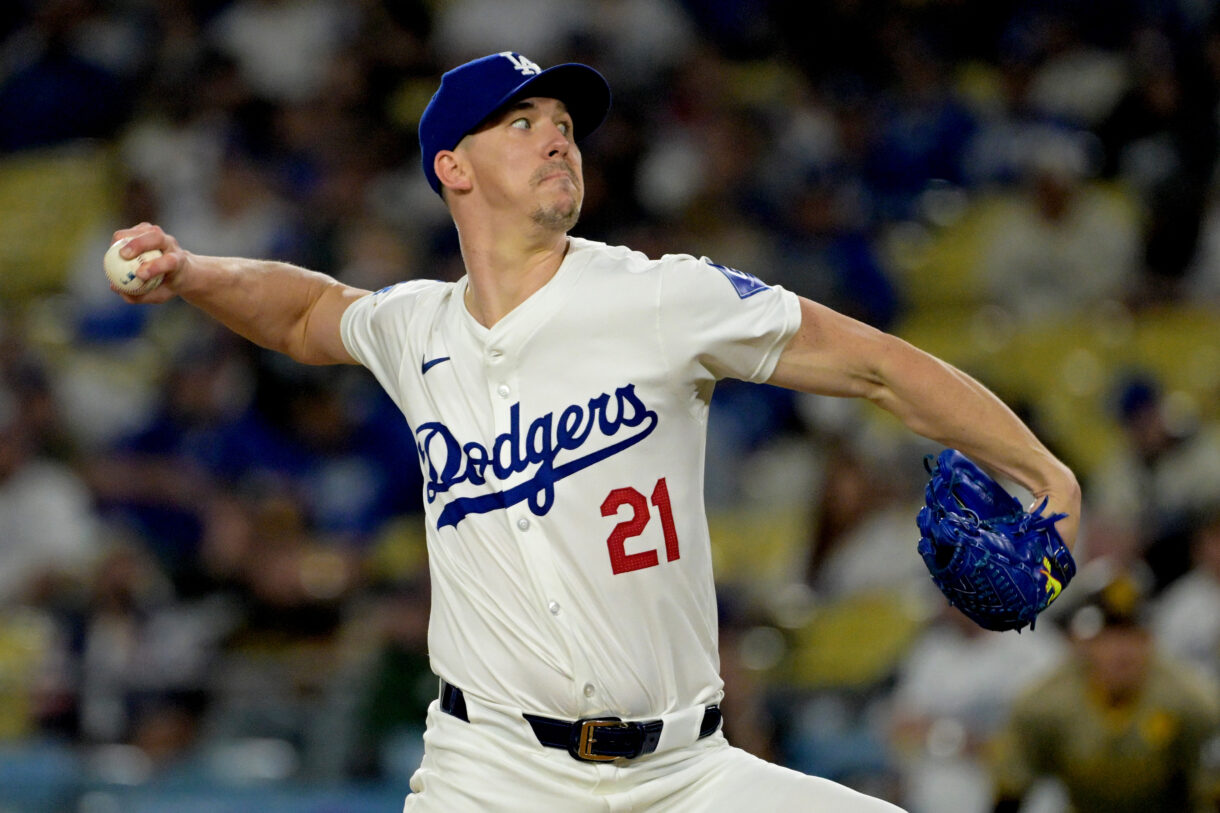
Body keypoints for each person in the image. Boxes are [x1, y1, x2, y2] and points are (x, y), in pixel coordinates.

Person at [108, 50, 1080, 812]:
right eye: (522, 122)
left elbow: (875, 365)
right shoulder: (417, 329)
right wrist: (193, 272)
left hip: (686, 775)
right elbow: (303, 314)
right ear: (452, 166)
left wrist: (1042, 473)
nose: (557, 138)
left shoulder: (660, 297)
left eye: (565, 125)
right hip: (490, 774)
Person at [989, 570, 1220, 813]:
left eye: (1132, 636)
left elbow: (1211, 790)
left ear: (1150, 641)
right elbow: (1011, 785)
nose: (1122, 652)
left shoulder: (1191, 701)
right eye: (1108, 638)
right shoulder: (1045, 704)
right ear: (1083, 643)